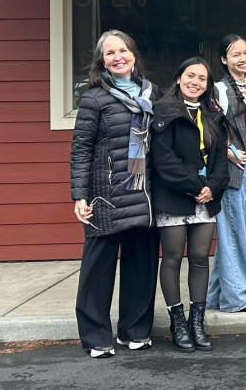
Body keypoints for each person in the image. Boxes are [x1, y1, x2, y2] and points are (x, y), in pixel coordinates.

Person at [70, 30, 160, 358]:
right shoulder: (94, 98)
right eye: (110, 53)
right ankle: (96, 336)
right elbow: (81, 149)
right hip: (105, 196)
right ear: (102, 62)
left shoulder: (152, 93)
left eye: (123, 50)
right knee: (98, 270)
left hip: (144, 195)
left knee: (141, 265)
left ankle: (134, 330)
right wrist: (79, 195)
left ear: (133, 55)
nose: (118, 57)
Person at [150, 57, 230, 352]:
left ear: (208, 86)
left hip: (205, 198)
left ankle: (198, 320)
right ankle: (178, 320)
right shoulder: (164, 110)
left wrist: (213, 187)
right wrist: (199, 186)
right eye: (190, 76)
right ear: (179, 77)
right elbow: (164, 161)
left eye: (202, 79)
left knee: (199, 257)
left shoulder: (213, 114)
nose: (195, 82)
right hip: (173, 196)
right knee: (172, 257)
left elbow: (221, 160)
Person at [206, 35, 246, 313]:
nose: (243, 58)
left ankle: (216, 296)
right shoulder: (218, 89)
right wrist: (227, 149)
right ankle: (236, 299)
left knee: (241, 235)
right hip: (231, 170)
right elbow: (208, 125)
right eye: (236, 54)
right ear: (224, 60)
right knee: (233, 235)